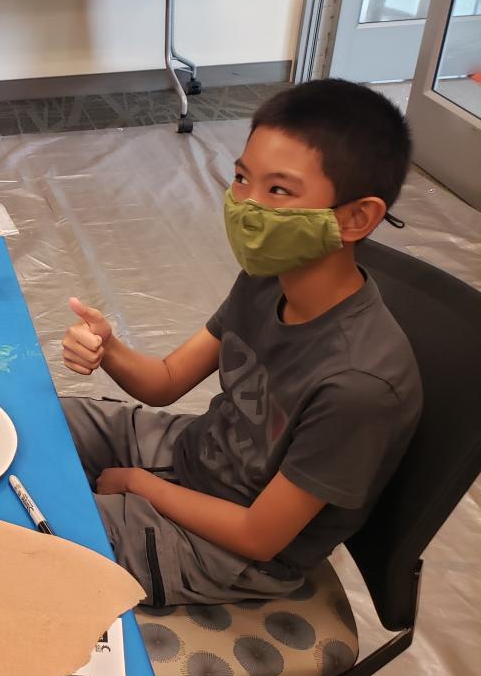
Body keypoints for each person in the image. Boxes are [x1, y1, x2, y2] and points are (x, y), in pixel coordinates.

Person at [61, 79, 422, 606]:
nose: (246, 207)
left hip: (229, 552)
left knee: (30, 529)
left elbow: (259, 535)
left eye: (278, 190)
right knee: (34, 425)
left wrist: (143, 485)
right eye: (240, 178)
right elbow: (164, 383)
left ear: (356, 218)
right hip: (193, 456)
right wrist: (108, 347)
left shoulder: (359, 384)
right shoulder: (267, 277)